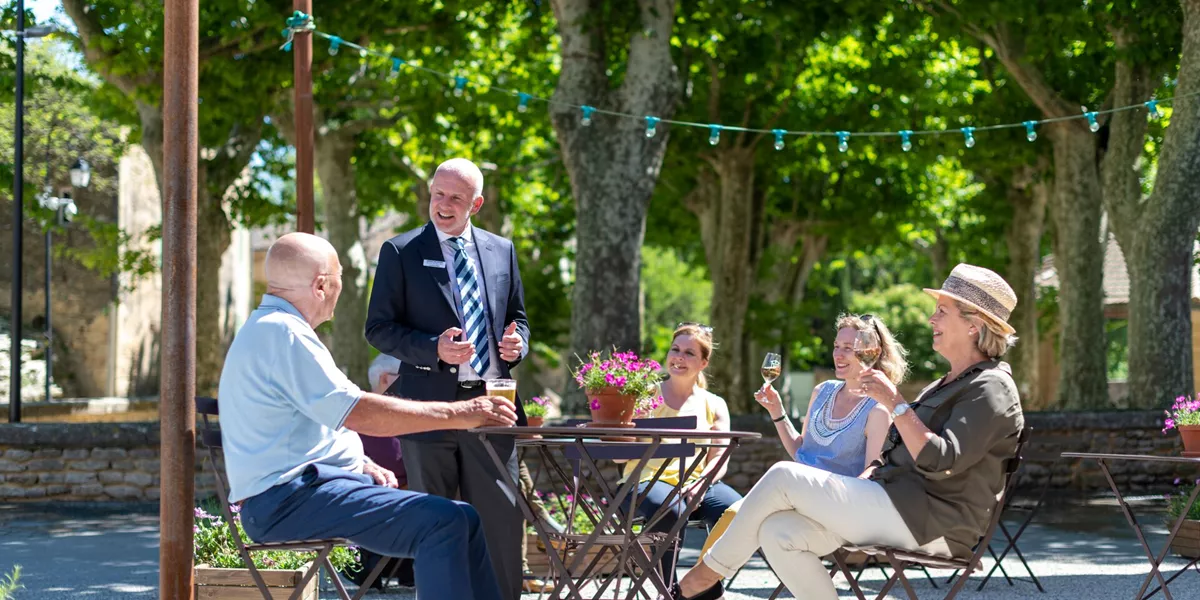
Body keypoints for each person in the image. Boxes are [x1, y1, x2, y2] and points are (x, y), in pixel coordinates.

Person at [672, 264, 1026, 600]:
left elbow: (940, 460)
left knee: (783, 475)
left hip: (932, 521)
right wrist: (867, 475)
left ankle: (697, 583)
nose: (931, 318)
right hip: (894, 503)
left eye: (942, 311)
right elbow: (895, 453)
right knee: (777, 532)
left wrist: (895, 403)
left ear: (973, 325)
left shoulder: (991, 388)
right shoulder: (947, 383)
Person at [220, 232, 517, 600]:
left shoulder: (272, 330)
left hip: (305, 491)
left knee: (464, 518)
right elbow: (359, 411)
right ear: (321, 285)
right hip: (289, 501)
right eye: (340, 276)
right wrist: (461, 412)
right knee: (443, 522)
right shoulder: (285, 334)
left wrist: (358, 462)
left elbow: (308, 420)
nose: (341, 289)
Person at [365, 158, 530, 600]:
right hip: (428, 408)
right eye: (438, 193)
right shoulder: (400, 252)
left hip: (493, 405)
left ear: (475, 203)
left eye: (455, 197)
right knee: (434, 523)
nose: (443, 204)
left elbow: (517, 319)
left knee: (500, 519)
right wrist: (432, 349)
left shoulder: (502, 250)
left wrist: (519, 345)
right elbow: (378, 329)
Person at [696, 313, 904, 558]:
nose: (838, 354)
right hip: (794, 493)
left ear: (871, 351)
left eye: (848, 348)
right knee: (736, 515)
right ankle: (708, 586)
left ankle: (700, 583)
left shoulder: (878, 409)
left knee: (765, 492)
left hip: (836, 506)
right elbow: (800, 450)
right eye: (837, 346)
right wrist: (777, 411)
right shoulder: (823, 391)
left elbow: (868, 480)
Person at [619, 323, 741, 587]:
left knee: (739, 511)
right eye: (675, 349)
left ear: (704, 363)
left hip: (697, 482)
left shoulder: (715, 403)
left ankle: (700, 584)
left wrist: (701, 484)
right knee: (671, 509)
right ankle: (668, 590)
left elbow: (720, 457)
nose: (679, 357)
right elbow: (620, 454)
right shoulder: (645, 395)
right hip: (646, 481)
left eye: (689, 353)